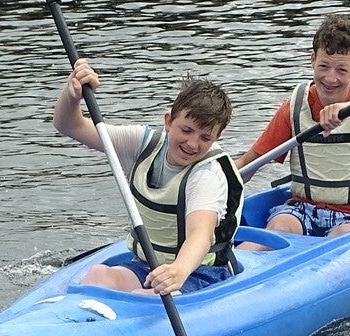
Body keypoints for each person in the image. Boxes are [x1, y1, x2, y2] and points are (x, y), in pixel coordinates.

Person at [52, 59, 243, 295]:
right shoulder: (142, 143)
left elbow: (200, 235)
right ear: (168, 121)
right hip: (146, 265)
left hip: (200, 274)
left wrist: (178, 271)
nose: (193, 144)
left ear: (217, 137)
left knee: (147, 297)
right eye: (186, 130)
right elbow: (69, 126)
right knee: (97, 276)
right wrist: (72, 95)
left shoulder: (207, 175)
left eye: (205, 138)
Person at [240, 13, 350, 239]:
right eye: (324, 66)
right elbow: (248, 164)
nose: (330, 78)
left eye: (341, 70)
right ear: (313, 59)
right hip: (301, 208)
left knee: (342, 236)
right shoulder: (295, 107)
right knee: (279, 226)